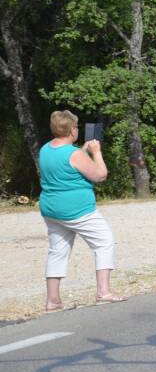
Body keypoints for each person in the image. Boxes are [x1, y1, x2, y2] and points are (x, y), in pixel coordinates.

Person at [39, 110, 126, 312]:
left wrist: (83, 151)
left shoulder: (45, 149)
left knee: (57, 251)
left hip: (51, 208)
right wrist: (96, 153)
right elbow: (100, 175)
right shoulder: (74, 154)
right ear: (71, 130)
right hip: (77, 210)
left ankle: (53, 300)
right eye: (76, 127)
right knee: (104, 241)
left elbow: (66, 164)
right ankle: (103, 292)